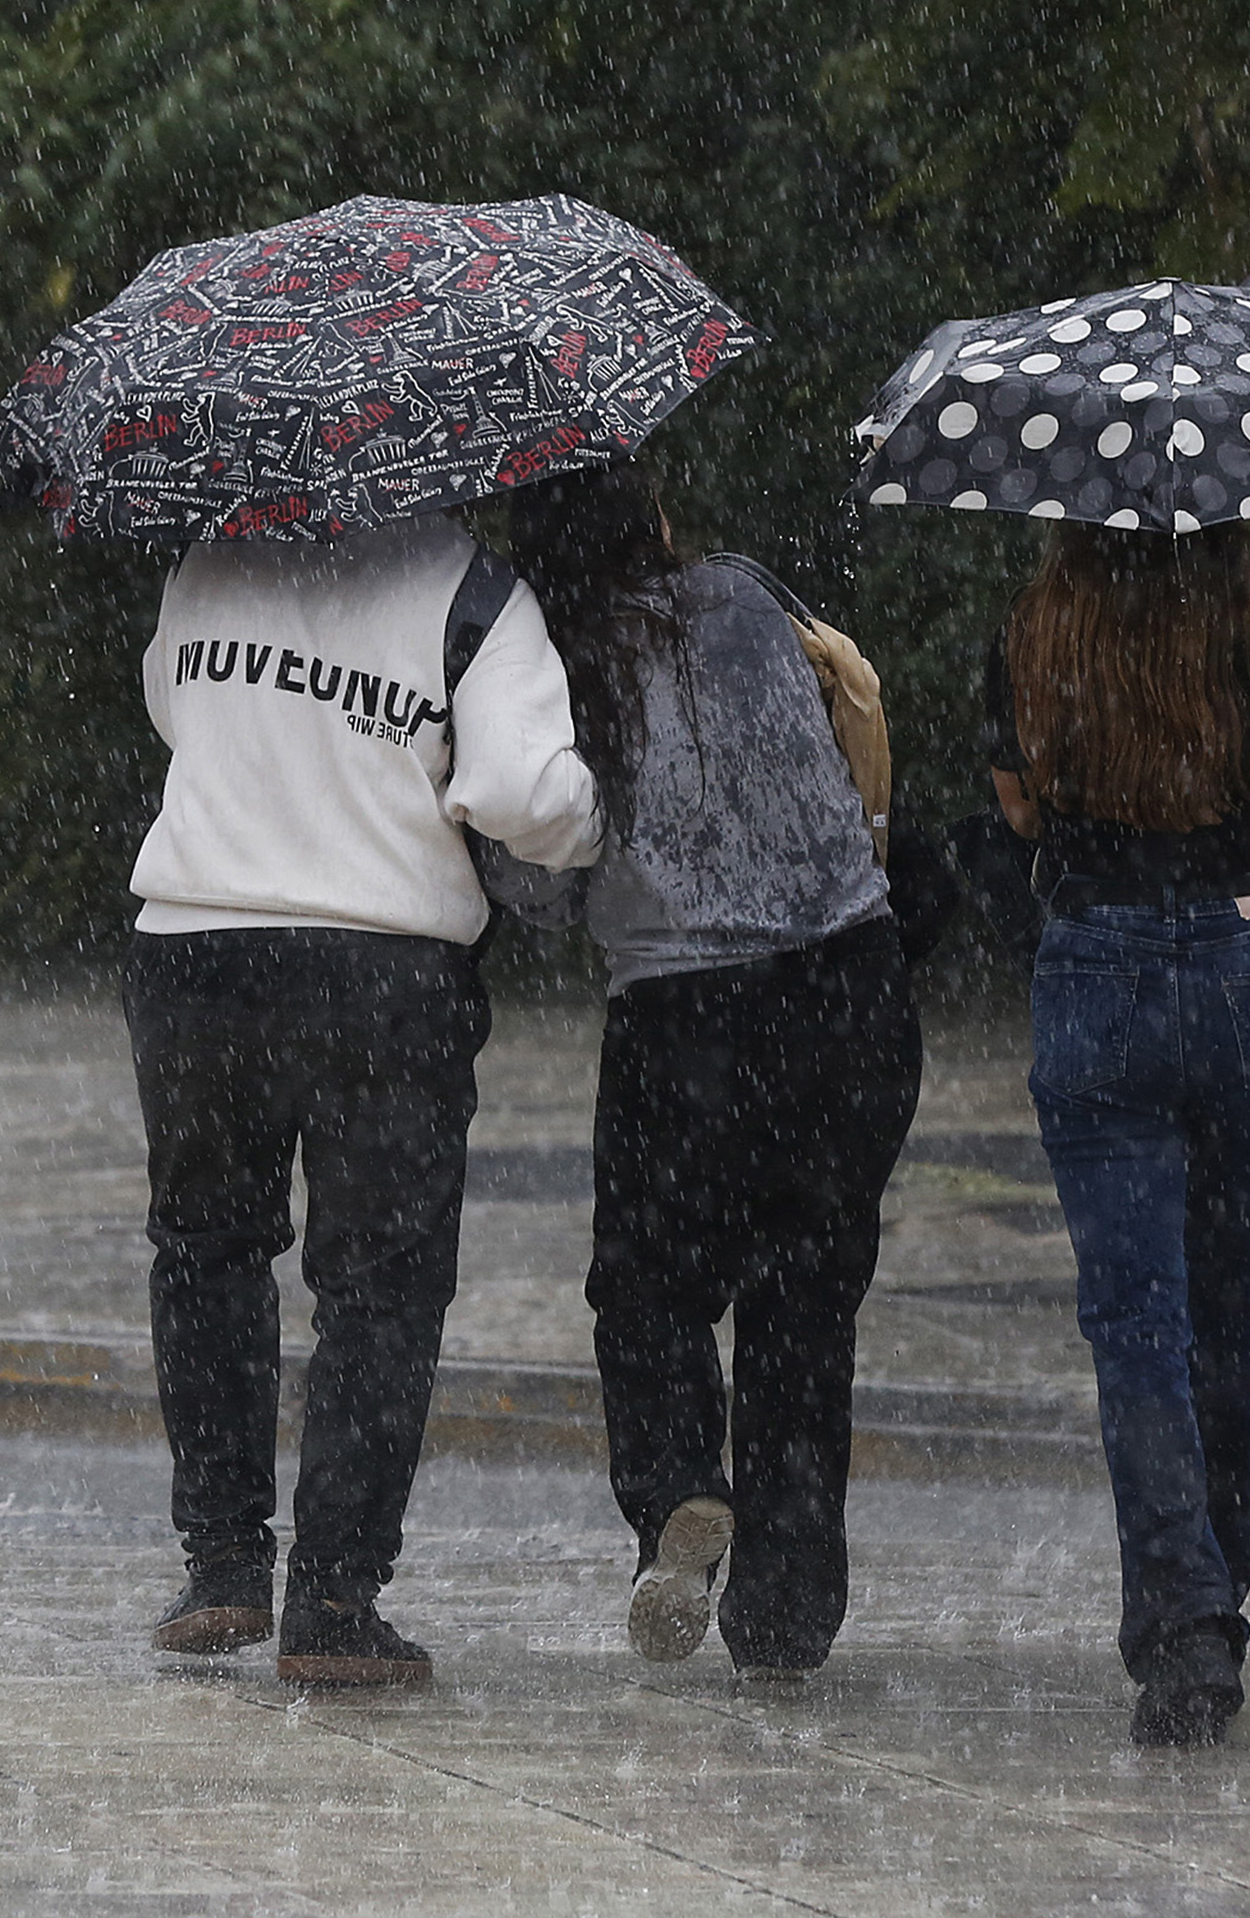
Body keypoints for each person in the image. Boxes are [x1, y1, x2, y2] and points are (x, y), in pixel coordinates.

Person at [125, 511, 603, 1688]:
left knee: (207, 1251)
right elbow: (525, 794)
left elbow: (171, 709)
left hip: (197, 948)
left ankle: (224, 1564)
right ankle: (335, 1597)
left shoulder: (209, 559)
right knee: (381, 1289)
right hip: (383, 970)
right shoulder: (471, 588)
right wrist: (589, 817)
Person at [504, 460, 920, 1685]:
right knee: (803, 1310)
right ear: (653, 516)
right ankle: (787, 1616)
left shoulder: (563, 666)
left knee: (649, 1291)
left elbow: (545, 886)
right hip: (851, 979)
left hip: (686, 1018)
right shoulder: (742, 595)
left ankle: (682, 1486)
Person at [986, 518, 1250, 1748]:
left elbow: (1021, 808)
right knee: (1238, 1311)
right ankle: (1215, 1583)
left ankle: (1185, 1626)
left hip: (1102, 964)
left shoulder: (1041, 622)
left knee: (1137, 1320)